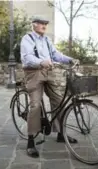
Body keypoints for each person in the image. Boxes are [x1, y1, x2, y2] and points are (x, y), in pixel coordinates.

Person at [20, 16, 78, 158]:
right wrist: (41, 62)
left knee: (59, 101)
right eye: (41, 23)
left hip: (49, 72)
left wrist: (69, 59)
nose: (44, 25)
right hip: (34, 73)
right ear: (34, 25)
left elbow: (55, 54)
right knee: (35, 105)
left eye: (45, 23)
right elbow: (26, 58)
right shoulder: (27, 39)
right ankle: (31, 141)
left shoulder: (46, 40)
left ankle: (60, 133)